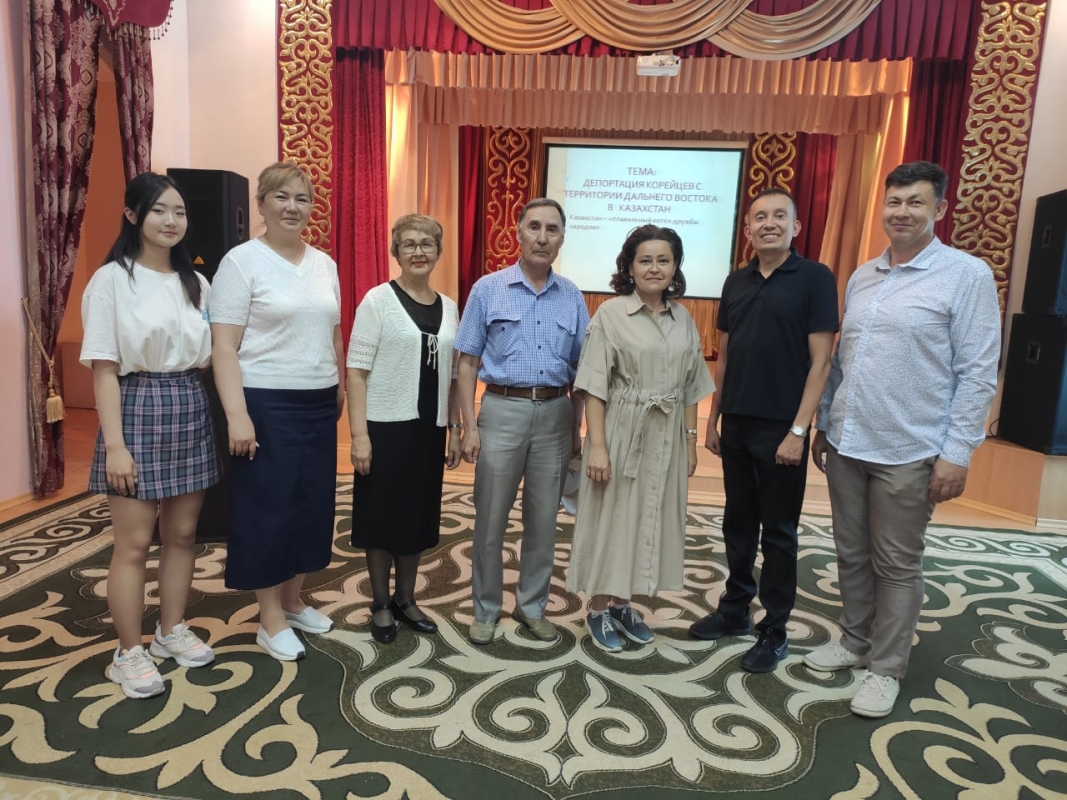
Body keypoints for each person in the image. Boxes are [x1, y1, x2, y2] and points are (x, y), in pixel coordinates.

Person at [805, 161, 1000, 718]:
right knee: (851, 552)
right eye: (894, 202)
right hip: (848, 441)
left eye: (915, 202)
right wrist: (825, 422)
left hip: (909, 449)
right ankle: (855, 640)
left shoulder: (966, 275)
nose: (902, 212)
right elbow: (844, 360)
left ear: (939, 209)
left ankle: (886, 668)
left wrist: (956, 453)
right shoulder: (863, 276)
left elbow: (978, 372)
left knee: (895, 562)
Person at [81, 172, 220, 699]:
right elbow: (103, 369)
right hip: (135, 404)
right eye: (159, 210)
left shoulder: (197, 282)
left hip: (189, 402)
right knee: (135, 543)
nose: (171, 220)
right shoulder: (112, 280)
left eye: (179, 211)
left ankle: (170, 630)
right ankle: (128, 651)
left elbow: (214, 354)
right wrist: (115, 446)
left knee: (182, 535)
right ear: (133, 215)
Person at [689, 189, 839, 673]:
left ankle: (774, 629)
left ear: (796, 227)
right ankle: (734, 609)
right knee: (737, 523)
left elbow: (822, 362)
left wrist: (799, 430)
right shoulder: (735, 281)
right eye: (760, 217)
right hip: (736, 422)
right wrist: (713, 418)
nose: (768, 223)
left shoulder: (815, 278)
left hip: (782, 428)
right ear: (748, 228)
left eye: (779, 216)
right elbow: (725, 356)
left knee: (778, 532)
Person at [210, 162, 344, 662]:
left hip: (318, 401)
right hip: (265, 402)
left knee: (312, 506)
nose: (292, 207)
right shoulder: (241, 262)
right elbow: (224, 347)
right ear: (261, 205)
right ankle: (268, 619)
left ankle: (292, 600)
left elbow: (334, 332)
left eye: (302, 198)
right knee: (269, 509)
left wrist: (338, 386)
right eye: (281, 197)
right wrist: (237, 415)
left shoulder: (324, 264)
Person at [567, 225, 715, 652]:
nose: (654, 268)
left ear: (675, 266)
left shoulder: (683, 317)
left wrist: (690, 441)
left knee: (649, 517)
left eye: (663, 260)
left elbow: (691, 387)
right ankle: (597, 607)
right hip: (621, 431)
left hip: (666, 435)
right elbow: (594, 388)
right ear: (629, 267)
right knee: (612, 517)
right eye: (645, 260)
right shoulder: (611, 315)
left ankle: (622, 603)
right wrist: (597, 446)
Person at [455, 197, 589, 645]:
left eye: (552, 229)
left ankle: (532, 607)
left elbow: (582, 371)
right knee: (490, 519)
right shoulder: (488, 289)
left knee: (544, 522)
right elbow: (467, 362)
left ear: (562, 238)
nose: (542, 237)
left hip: (555, 414)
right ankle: (486, 609)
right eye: (534, 227)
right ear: (517, 232)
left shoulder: (572, 296)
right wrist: (470, 425)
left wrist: (575, 426)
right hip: (502, 411)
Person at [346, 214, 462, 643]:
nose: (418, 251)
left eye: (427, 244)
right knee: (381, 517)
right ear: (396, 252)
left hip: (429, 430)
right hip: (384, 428)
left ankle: (406, 599)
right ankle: (380, 603)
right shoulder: (377, 301)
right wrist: (359, 435)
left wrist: (454, 427)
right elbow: (355, 372)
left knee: (416, 515)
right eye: (409, 244)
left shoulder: (450, 306)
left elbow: (453, 375)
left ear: (438, 252)